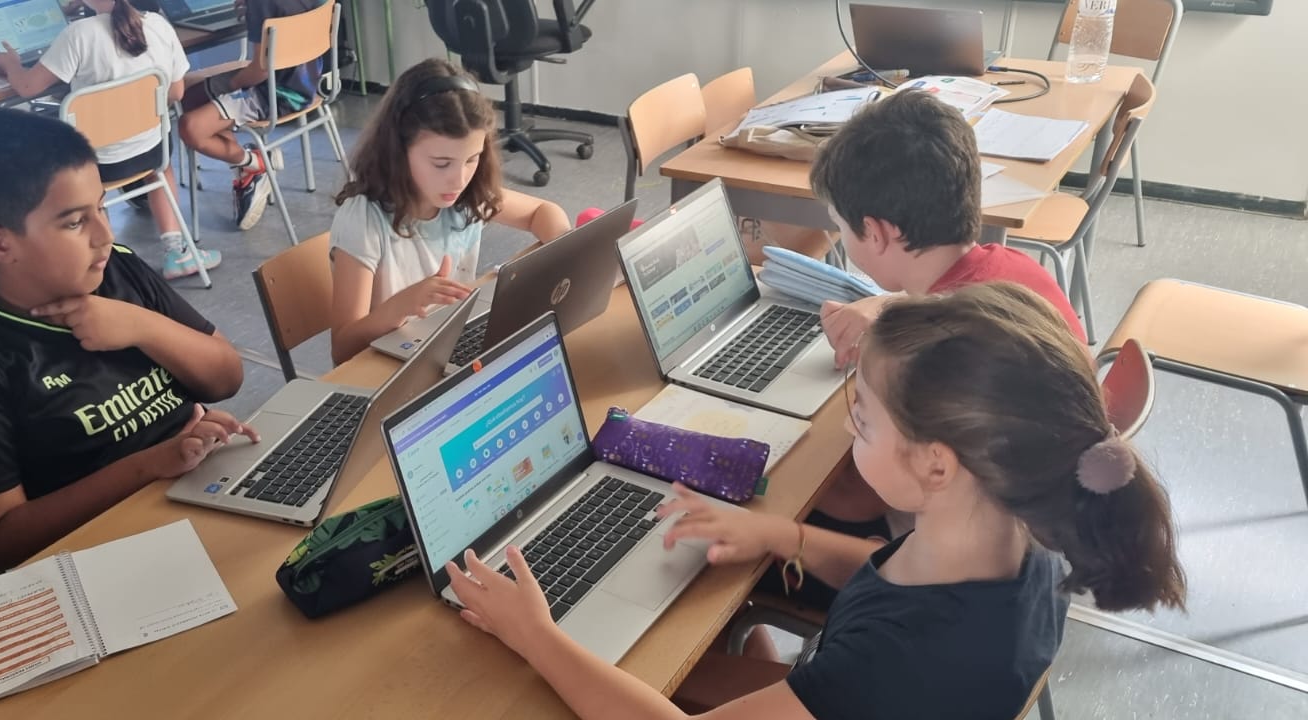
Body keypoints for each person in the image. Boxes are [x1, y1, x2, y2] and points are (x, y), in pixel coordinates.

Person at [444, 282, 1187, 720]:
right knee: (700, 640)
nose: (849, 428)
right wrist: (783, 536)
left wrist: (535, 635)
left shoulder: (896, 662)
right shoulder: (1016, 541)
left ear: (936, 464)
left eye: (862, 419)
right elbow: (890, 574)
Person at [0, 109, 251, 571]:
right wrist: (149, 465)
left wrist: (142, 326)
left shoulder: (120, 271)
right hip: (102, 555)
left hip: (203, 491)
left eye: (102, 207)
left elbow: (227, 378)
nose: (105, 236)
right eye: (74, 223)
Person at [811, 90, 1087, 370]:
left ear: (874, 233)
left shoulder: (926, 355)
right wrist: (887, 306)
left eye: (839, 224)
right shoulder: (1015, 265)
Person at [326, 58, 571, 365]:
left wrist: (569, 250)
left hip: (443, 343)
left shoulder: (467, 196)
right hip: (386, 367)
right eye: (441, 164)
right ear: (398, 150)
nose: (459, 179)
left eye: (472, 159)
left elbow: (543, 212)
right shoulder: (363, 221)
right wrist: (403, 305)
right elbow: (343, 349)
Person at [0, 0, 216, 280]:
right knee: (162, 169)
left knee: (60, 147)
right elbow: (176, 93)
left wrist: (11, 64)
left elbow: (27, 87)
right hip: (151, 152)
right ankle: (176, 252)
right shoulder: (159, 25)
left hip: (96, 167)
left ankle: (108, 266)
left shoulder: (77, 34)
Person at [177, 0, 324, 232]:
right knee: (192, 97)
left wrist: (231, 86)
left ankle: (254, 164)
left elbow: (260, 70)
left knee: (189, 127)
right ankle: (245, 168)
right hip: (306, 83)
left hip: (274, 93)